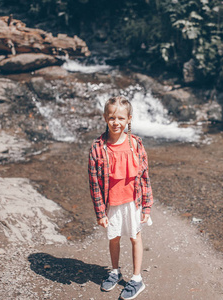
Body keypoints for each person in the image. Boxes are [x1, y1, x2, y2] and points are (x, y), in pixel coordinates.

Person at [88, 96, 153, 300]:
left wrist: (147, 207)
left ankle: (136, 279)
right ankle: (115, 271)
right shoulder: (98, 148)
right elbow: (94, 184)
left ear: (129, 119)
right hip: (111, 203)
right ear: (105, 118)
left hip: (133, 201)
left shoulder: (136, 144)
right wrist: (100, 212)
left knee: (135, 237)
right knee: (114, 238)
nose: (116, 122)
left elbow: (144, 176)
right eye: (112, 118)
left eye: (121, 118)